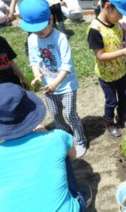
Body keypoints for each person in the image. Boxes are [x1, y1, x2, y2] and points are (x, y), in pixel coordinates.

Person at [0, 83, 92, 212]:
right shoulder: (57, 138)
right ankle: (78, 197)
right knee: (63, 157)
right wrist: (43, 131)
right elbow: (73, 156)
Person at [19, 0, 87, 158]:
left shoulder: (60, 38)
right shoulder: (32, 39)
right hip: (48, 86)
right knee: (56, 115)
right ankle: (64, 138)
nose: (39, 34)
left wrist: (55, 84)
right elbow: (34, 61)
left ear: (50, 19)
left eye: (41, 30)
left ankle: (80, 140)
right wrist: (37, 75)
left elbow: (66, 66)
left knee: (70, 114)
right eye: (34, 31)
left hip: (66, 85)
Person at [87, 0, 126, 138]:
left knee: (124, 98)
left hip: (121, 71)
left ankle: (121, 118)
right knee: (111, 101)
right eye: (120, 13)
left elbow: (119, 42)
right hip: (106, 75)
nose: (121, 17)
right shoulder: (95, 30)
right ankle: (109, 123)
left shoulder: (117, 25)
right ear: (108, 6)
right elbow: (100, 56)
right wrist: (122, 52)